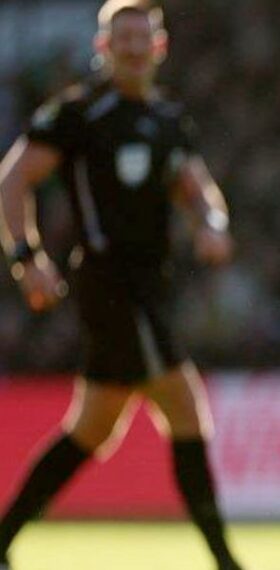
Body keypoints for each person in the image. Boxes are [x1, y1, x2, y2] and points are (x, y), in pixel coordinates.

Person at [0, 2, 241, 569]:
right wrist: (25, 257)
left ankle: (2, 536)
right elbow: (13, 179)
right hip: (109, 283)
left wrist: (212, 224)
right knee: (184, 405)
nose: (133, 47)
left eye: (143, 36)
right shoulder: (80, 113)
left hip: (150, 286)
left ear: (159, 46)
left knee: (92, 427)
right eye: (121, 37)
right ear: (103, 47)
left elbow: (198, 188)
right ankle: (225, 561)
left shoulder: (166, 119)